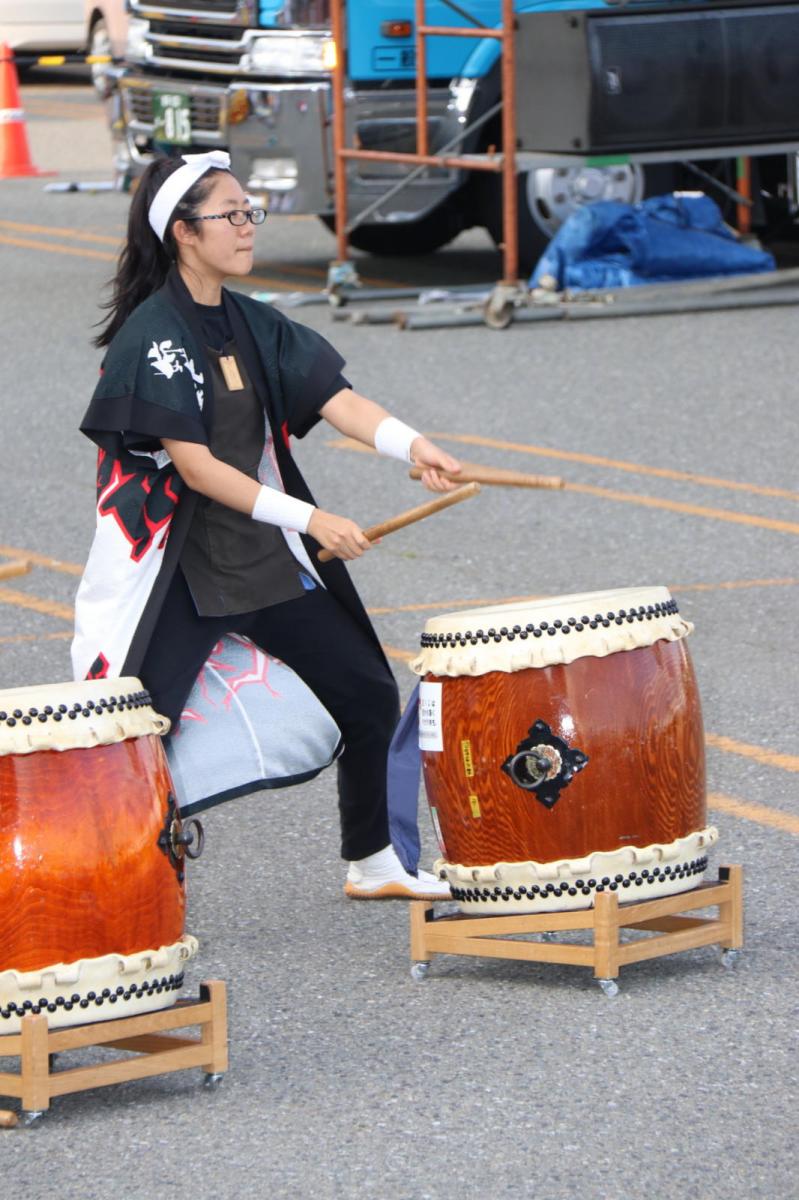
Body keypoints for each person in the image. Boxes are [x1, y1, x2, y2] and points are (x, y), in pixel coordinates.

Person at [71, 150, 461, 901]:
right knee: (134, 733)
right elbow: (196, 469)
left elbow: (335, 398)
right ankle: (120, 894)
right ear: (185, 232)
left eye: (251, 212)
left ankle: (374, 859)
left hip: (257, 557)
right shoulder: (154, 336)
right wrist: (312, 516)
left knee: (365, 690)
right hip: (179, 571)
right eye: (232, 214)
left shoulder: (251, 321)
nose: (249, 226)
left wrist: (412, 446)